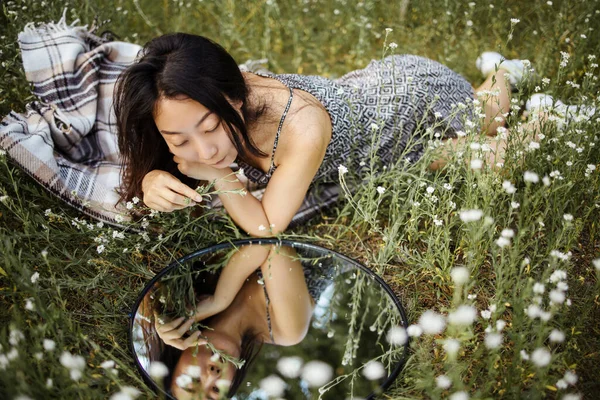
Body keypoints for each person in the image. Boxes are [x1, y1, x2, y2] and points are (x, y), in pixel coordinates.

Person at [114, 34, 530, 236]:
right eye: (180, 139)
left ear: (234, 97)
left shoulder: (301, 124)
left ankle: (505, 73)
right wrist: (151, 177)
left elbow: (267, 225)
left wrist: (220, 175)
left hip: (409, 102)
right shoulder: (186, 102)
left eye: (210, 128)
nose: (204, 150)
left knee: (491, 125)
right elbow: (162, 160)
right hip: (379, 152)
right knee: (476, 158)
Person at [152, 244, 318, 399]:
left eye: (194, 379)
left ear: (176, 354)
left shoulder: (196, 278)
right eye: (216, 390)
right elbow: (273, 244)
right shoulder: (286, 331)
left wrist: (163, 312)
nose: (212, 375)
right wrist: (219, 300)